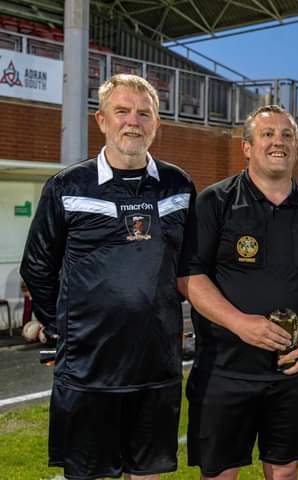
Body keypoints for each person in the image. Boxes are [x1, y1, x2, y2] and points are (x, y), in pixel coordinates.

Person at [20, 74, 195, 479]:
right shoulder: (68, 185)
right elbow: (38, 265)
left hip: (157, 369)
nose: (133, 121)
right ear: (101, 120)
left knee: (148, 475)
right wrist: (61, 328)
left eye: (144, 113)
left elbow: (191, 267)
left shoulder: (179, 185)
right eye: (122, 111)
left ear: (156, 124)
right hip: (88, 372)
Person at [178, 105, 298, 480]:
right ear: (247, 147)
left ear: (297, 146)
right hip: (225, 370)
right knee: (220, 474)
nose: (278, 142)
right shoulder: (214, 202)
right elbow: (189, 276)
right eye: (267, 134)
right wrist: (240, 324)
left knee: (285, 473)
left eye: (287, 135)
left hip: (295, 370)